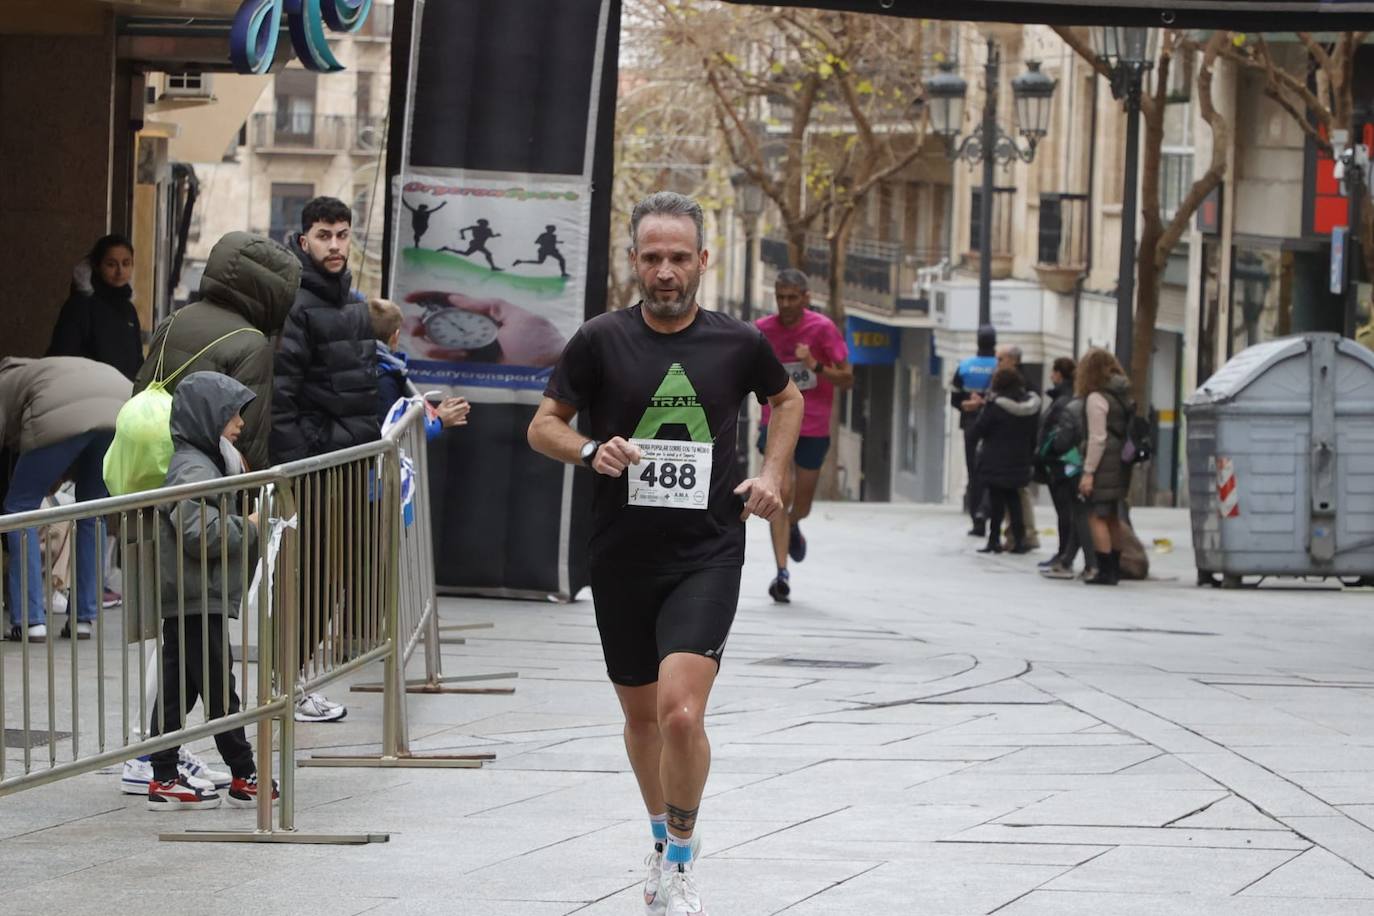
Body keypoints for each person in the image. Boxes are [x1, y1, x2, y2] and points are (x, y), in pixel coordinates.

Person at [527, 191, 802, 916]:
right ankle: (659, 834)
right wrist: (590, 449)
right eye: (652, 258)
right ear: (634, 262)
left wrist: (771, 475)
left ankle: (679, 859)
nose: (666, 271)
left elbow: (790, 400)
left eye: (680, 257)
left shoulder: (739, 343)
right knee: (643, 718)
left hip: (707, 551)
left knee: (682, 714)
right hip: (620, 554)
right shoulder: (598, 341)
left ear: (703, 261)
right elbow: (543, 426)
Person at [144, 371, 277, 810]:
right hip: (196, 595)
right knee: (221, 688)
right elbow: (200, 532)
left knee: (179, 686)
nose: (240, 423)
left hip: (195, 593)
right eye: (232, 414)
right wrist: (251, 528)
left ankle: (163, 773)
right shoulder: (193, 468)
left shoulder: (205, 462)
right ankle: (245, 773)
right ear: (207, 418)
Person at [272, 196, 378, 723]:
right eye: (323, 235)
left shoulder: (355, 304)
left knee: (329, 579)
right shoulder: (295, 306)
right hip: (315, 469)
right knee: (307, 579)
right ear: (303, 241)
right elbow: (281, 397)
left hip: (350, 464)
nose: (334, 245)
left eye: (341, 234)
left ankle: (293, 679)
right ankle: (283, 684)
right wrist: (300, 465)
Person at [135, 232, 300, 473]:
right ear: (273, 291)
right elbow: (248, 438)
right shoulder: (253, 344)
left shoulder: (175, 319)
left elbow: (142, 387)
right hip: (204, 481)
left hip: (150, 469)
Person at [0, 357, 130, 641]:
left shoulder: (6, 379)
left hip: (65, 413)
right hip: (121, 410)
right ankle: (83, 619)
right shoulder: (45, 370)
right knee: (92, 511)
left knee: (20, 509)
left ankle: (30, 620)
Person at [754, 268, 852, 603]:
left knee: (802, 503)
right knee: (778, 493)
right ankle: (781, 573)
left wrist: (816, 365)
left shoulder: (823, 329)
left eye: (792, 297)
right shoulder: (762, 331)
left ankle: (796, 524)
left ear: (806, 298)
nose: (785, 304)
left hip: (813, 425)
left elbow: (848, 379)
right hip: (776, 421)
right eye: (780, 297)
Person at [1077, 348, 1137, 585]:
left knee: (1097, 516)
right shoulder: (1122, 393)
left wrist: (1088, 472)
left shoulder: (1096, 398)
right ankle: (1115, 567)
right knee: (1113, 516)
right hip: (1121, 461)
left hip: (1104, 463)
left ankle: (1105, 570)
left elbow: (1097, 438)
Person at [47, 234, 143, 382]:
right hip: (87, 392)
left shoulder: (129, 309)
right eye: (111, 264)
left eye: (126, 263)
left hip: (124, 395)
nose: (120, 271)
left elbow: (137, 360)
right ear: (97, 266)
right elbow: (63, 355)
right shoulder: (80, 305)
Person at [369, 298, 471, 434]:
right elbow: (393, 434)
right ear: (395, 337)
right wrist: (438, 422)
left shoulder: (351, 361)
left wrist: (433, 415)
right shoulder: (384, 379)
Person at [971, 367, 1041, 555]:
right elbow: (1034, 434)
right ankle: (1019, 540)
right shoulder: (1031, 406)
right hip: (1020, 459)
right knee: (1014, 500)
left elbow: (979, 429)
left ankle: (994, 540)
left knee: (996, 503)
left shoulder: (995, 406)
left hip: (996, 460)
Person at [951, 324, 997, 536]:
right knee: (993, 470)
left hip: (970, 424)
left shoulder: (965, 366)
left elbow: (954, 398)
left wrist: (968, 404)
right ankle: (986, 511)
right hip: (996, 425)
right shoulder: (1000, 366)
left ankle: (977, 520)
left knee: (974, 471)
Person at [1038, 357, 1081, 579]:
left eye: (1053, 372)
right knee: (1065, 510)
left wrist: (1050, 450)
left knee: (1066, 510)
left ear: (1058, 374)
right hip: (1059, 463)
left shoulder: (1064, 400)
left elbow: (1059, 431)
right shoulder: (1063, 397)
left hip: (1061, 463)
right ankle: (1064, 553)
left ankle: (1065, 553)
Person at [995, 344, 1040, 550]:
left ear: (1013, 360)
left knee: (1018, 493)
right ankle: (1016, 533)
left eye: (1000, 359)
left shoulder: (1020, 386)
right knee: (1016, 493)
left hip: (1015, 449)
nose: (997, 364)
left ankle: (1023, 534)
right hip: (1015, 448)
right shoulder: (1014, 384)